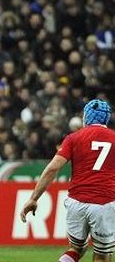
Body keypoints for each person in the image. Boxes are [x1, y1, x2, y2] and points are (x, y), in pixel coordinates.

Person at [20, 99, 115, 262]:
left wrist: (33, 198)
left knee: (76, 248)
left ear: (86, 117)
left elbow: (52, 168)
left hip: (76, 202)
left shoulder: (73, 138)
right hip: (104, 202)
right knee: (102, 254)